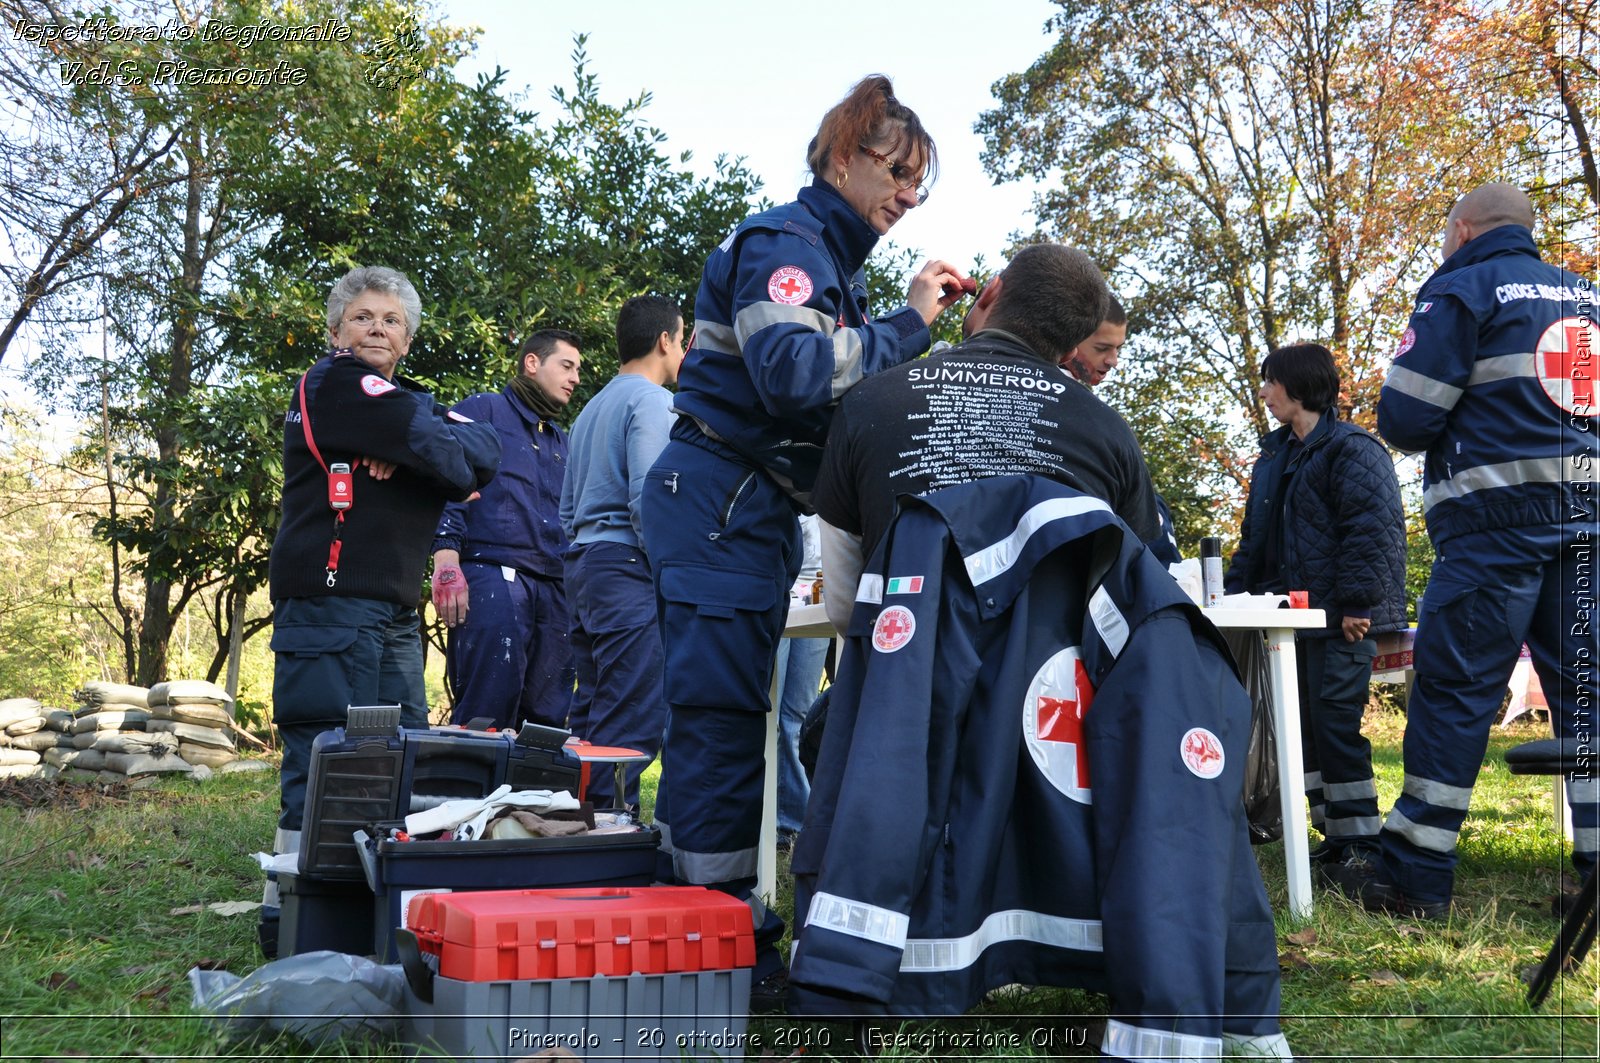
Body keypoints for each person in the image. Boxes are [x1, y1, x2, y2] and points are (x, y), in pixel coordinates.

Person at [639, 74, 968, 997]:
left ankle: (711, 923)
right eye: (899, 171)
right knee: (720, 722)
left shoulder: (828, 260)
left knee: (733, 719)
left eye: (920, 184)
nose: (908, 195)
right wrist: (911, 323)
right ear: (846, 151)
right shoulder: (787, 242)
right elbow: (790, 374)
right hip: (720, 497)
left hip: (744, 504)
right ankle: (716, 951)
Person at [1345, 182, 1597, 919]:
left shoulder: (1462, 290)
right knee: (1592, 701)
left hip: (1494, 530)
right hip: (1589, 528)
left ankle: (1413, 879)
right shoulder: (1587, 298)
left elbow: (1409, 417)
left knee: (1455, 695)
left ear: (1462, 230)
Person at [267, 264, 500, 866]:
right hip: (332, 602)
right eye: (362, 317)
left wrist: (415, 448)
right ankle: (294, 909)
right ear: (335, 331)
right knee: (329, 756)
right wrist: (427, 450)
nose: (377, 329)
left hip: (393, 609)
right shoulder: (335, 384)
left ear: (408, 338)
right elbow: (455, 466)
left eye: (392, 320)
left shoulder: (400, 403)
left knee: (403, 758)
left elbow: (488, 452)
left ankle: (376, 904)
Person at [811, 242, 1160, 633]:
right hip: (1050, 685)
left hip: (901, 672)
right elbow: (1131, 592)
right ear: (1070, 352)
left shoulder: (868, 402)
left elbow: (844, 606)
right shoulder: (1109, 431)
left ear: (991, 292)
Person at [1223, 342, 1407, 888]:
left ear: (1298, 385)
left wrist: (1356, 604)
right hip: (1286, 618)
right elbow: (1253, 539)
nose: (1263, 392)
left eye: (1270, 382)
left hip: (1341, 618)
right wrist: (1230, 596)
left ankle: (1361, 845)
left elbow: (1371, 530)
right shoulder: (1275, 455)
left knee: (1335, 726)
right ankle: (1333, 839)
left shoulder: (1351, 449)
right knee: (1300, 731)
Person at [559, 296, 684, 809]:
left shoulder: (591, 406)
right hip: (629, 567)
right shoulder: (652, 401)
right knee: (631, 711)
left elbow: (566, 508)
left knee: (592, 709)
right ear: (664, 341)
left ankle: (569, 824)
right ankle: (609, 831)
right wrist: (667, 572)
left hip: (585, 564)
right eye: (682, 340)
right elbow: (647, 500)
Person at [430, 330, 582, 731]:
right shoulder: (484, 411)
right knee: (487, 712)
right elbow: (444, 482)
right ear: (532, 363)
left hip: (555, 587)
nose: (575, 378)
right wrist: (446, 558)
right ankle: (469, 792)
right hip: (493, 576)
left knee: (547, 723)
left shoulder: (563, 442)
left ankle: (533, 796)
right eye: (566, 366)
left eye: (578, 370)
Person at [1059, 295, 1182, 564]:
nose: (1113, 360)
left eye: (1118, 349)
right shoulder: (1078, 410)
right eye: (1103, 348)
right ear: (1069, 339)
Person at [774, 514, 828, 845]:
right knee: (769, 714)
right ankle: (763, 817)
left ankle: (793, 823)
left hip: (821, 586)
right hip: (777, 580)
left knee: (799, 715)